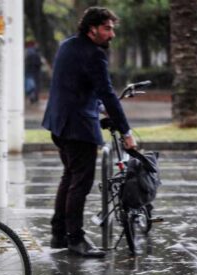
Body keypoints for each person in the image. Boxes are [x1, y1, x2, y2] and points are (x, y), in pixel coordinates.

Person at [42, 7, 137, 258]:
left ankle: (58, 232)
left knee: (69, 178)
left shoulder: (67, 46)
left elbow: (73, 85)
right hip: (78, 128)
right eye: (107, 28)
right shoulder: (94, 54)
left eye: (112, 28)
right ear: (91, 28)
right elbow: (106, 91)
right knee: (80, 184)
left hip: (58, 123)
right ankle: (75, 238)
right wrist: (126, 131)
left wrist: (98, 106)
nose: (112, 34)